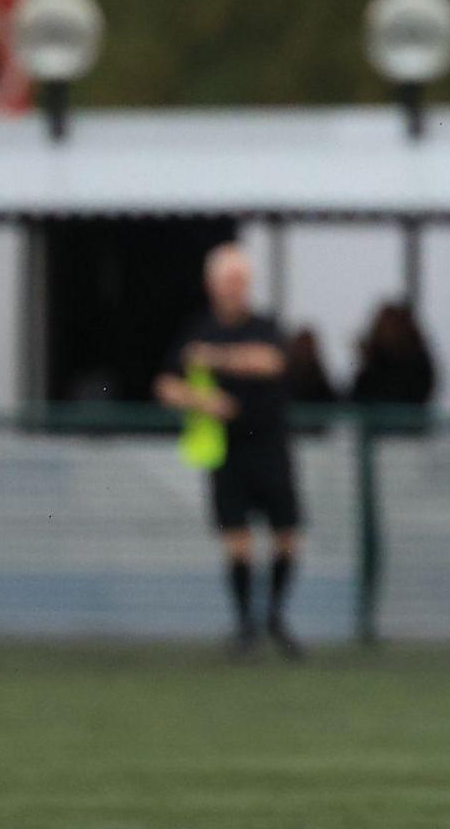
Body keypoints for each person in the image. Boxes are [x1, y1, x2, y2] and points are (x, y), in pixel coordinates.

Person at [153, 243, 303, 658]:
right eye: (228, 281)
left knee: (286, 534)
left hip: (270, 446)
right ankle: (245, 626)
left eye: (241, 280)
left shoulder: (264, 326)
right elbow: (166, 384)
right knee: (236, 538)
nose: (235, 288)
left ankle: (275, 615)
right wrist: (202, 401)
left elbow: (270, 362)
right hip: (227, 451)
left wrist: (216, 359)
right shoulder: (197, 330)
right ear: (211, 285)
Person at [351, 300, 438, 429]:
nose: (387, 331)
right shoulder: (374, 362)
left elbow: (412, 396)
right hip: (376, 436)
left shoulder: (415, 363)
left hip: (406, 436)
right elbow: (359, 398)